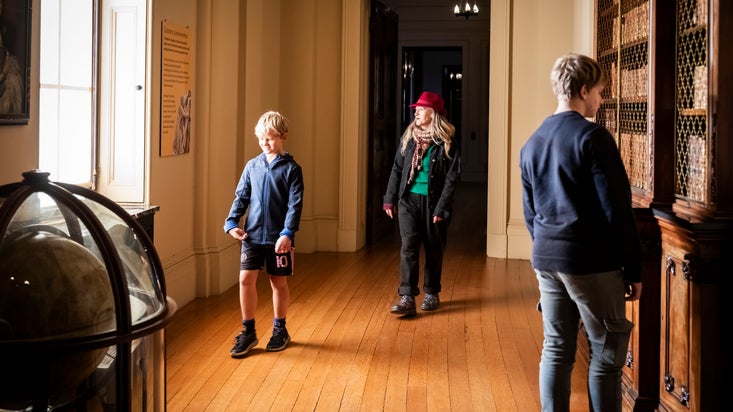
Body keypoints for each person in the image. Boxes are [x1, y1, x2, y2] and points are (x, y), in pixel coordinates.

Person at [520, 53, 643, 411]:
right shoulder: (594, 138)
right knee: (606, 350)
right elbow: (617, 211)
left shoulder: (533, 142)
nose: (601, 101)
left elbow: (531, 213)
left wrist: (548, 246)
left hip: (546, 258)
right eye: (601, 93)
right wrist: (633, 269)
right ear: (583, 90)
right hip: (590, 261)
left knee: (557, 348)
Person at [224, 110, 304, 358]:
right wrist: (231, 222)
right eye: (261, 139)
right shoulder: (252, 166)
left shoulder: (292, 169)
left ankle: (280, 329)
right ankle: (248, 330)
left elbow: (295, 205)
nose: (265, 143)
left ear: (283, 137)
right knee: (245, 279)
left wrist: (288, 233)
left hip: (279, 239)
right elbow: (242, 197)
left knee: (277, 282)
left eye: (269, 138)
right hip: (252, 237)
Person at [383, 91, 460, 317]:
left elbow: (451, 179)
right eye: (416, 109)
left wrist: (442, 207)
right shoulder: (409, 138)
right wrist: (389, 199)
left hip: (434, 202)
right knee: (409, 248)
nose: (416, 112)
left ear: (434, 113)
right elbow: (397, 169)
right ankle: (407, 297)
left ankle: (432, 292)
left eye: (422, 108)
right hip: (408, 200)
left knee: (434, 248)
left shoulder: (447, 142)